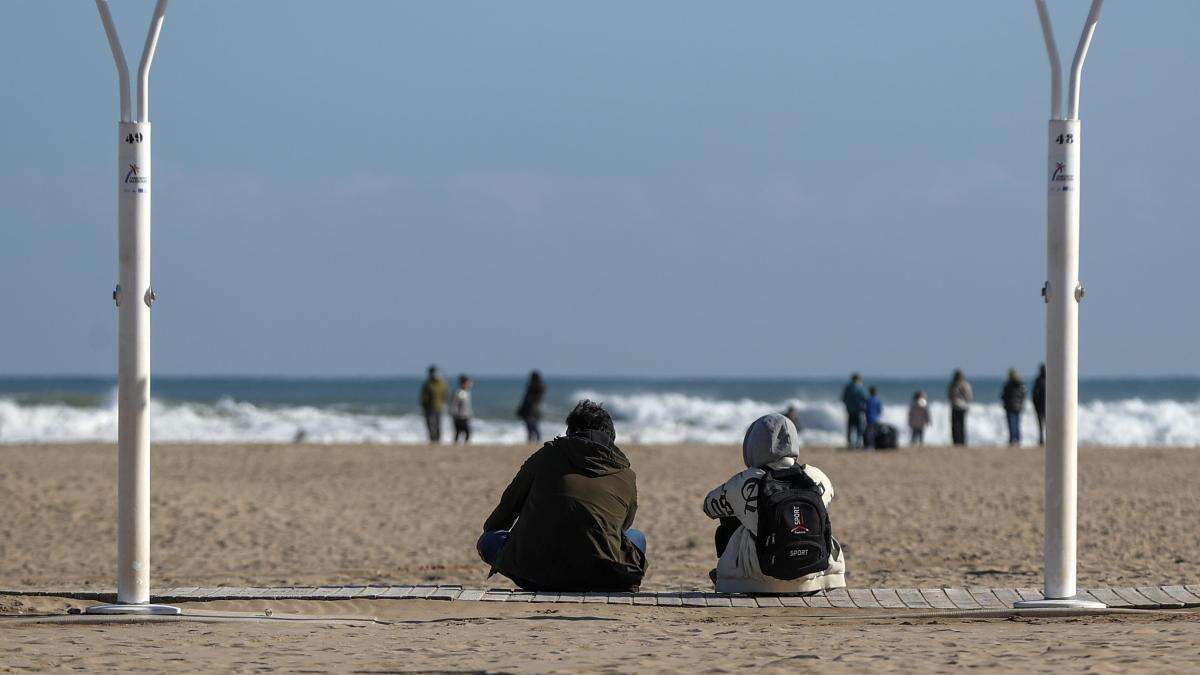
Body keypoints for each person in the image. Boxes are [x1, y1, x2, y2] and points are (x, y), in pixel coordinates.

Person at [477, 400, 647, 592]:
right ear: (611, 436)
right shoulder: (624, 472)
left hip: (539, 577)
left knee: (488, 541)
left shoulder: (546, 455)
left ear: (570, 431)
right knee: (637, 537)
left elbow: (506, 511)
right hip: (607, 577)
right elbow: (623, 525)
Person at [702, 413, 846, 595]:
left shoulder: (746, 480)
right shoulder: (817, 476)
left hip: (758, 578)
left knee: (730, 517)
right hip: (813, 575)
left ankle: (731, 575)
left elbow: (709, 506)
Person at [419, 365, 448, 443]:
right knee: (430, 424)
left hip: (439, 407)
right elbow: (423, 396)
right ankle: (432, 439)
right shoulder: (428, 383)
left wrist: (443, 403)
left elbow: (445, 394)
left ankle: (438, 440)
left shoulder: (442, 383)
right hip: (429, 407)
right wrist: (424, 405)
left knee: (438, 424)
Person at [840, 373, 868, 449]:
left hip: (850, 410)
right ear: (858, 379)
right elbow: (865, 398)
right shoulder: (860, 388)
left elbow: (843, 399)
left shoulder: (847, 388)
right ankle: (858, 443)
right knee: (859, 428)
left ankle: (850, 444)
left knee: (850, 428)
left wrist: (848, 406)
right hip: (858, 410)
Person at [516, 370, 546, 443]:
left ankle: (536, 441)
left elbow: (531, 400)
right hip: (531, 409)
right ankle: (533, 441)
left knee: (532, 427)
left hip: (531, 409)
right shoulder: (534, 387)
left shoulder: (536, 387)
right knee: (531, 427)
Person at [1001, 368, 1027, 447]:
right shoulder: (1021, 384)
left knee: (1011, 424)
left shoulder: (1008, 384)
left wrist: (1005, 402)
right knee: (1017, 423)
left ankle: (1012, 440)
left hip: (1010, 406)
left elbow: (1003, 395)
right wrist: (1021, 402)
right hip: (1018, 406)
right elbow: (1024, 394)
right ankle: (1017, 440)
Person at [947, 369, 972, 446]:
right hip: (963, 406)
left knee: (955, 425)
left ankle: (956, 442)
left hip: (955, 405)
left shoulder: (952, 385)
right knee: (962, 425)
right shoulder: (965, 384)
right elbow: (969, 396)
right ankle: (962, 442)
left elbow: (949, 396)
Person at [451, 375, 473, 444]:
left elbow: (467, 406)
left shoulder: (467, 392)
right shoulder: (459, 393)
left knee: (466, 432)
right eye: (468, 383)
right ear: (463, 383)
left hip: (466, 416)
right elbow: (454, 405)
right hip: (459, 417)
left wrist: (470, 414)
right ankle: (457, 445)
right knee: (460, 432)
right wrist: (455, 415)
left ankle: (464, 444)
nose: (469, 384)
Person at [1032, 363, 1047, 445]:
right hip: (1044, 406)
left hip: (1041, 406)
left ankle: (1042, 439)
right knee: (1044, 424)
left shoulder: (1039, 380)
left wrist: (1035, 404)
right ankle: (1042, 439)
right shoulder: (1048, 379)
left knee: (1042, 424)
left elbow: (1034, 394)